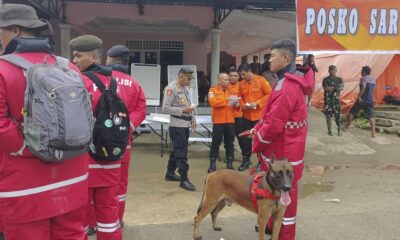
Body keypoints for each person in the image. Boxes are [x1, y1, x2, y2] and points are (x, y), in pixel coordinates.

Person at [0, 4, 88, 239]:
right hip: (73, 175)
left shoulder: (2, 69)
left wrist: (28, 147)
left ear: (15, 30)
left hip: (25, 183)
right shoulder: (68, 67)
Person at [250, 39, 314, 240]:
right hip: (290, 147)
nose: (269, 61)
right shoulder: (290, 81)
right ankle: (271, 225)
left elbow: (274, 124)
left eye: (273, 56)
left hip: (283, 150)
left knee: (286, 194)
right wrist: (258, 127)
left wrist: (257, 140)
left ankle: (284, 235)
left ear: (285, 58)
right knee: (277, 190)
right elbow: (271, 118)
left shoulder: (286, 86)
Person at [69, 35, 122, 239]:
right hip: (111, 158)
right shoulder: (114, 82)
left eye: (77, 55)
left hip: (85, 160)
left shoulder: (78, 81)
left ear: (93, 56)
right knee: (109, 213)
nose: (73, 60)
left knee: (79, 216)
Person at [106, 45, 147, 226]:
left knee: (96, 183)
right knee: (120, 183)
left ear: (110, 59)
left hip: (96, 143)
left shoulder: (98, 79)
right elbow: (141, 110)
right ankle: (117, 219)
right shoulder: (135, 84)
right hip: (123, 143)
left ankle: (93, 222)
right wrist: (126, 126)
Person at [162, 68, 197, 191]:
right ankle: (184, 179)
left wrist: (192, 118)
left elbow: (188, 105)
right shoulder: (171, 89)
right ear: (181, 76)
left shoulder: (184, 89)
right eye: (188, 79)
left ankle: (170, 173)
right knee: (181, 153)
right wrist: (182, 111)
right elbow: (165, 108)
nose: (190, 81)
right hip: (177, 126)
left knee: (177, 150)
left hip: (184, 124)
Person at [237, 63, 272, 171]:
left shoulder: (261, 80)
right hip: (247, 116)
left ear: (249, 71)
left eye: (243, 75)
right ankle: (246, 160)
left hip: (259, 117)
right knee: (246, 140)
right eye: (241, 75)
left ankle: (261, 162)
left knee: (260, 139)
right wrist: (243, 105)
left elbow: (270, 94)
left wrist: (257, 103)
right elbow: (240, 97)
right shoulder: (242, 83)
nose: (242, 77)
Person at [207, 73, 236, 172]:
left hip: (230, 120)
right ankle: (212, 163)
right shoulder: (213, 90)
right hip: (219, 121)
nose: (228, 81)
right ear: (219, 81)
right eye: (225, 79)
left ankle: (230, 163)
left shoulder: (232, 90)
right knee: (216, 143)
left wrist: (236, 104)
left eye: (228, 79)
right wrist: (226, 100)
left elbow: (237, 105)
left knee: (230, 143)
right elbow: (212, 102)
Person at [345, 66, 376, 138]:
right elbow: (373, 90)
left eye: (362, 71)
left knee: (352, 112)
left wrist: (359, 96)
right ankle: (373, 134)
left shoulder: (363, 78)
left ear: (364, 72)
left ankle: (347, 127)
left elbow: (364, 87)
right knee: (371, 116)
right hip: (370, 100)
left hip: (362, 99)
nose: (361, 72)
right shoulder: (373, 79)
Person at [228, 68, 246, 162]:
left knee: (241, 137)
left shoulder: (242, 86)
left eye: (235, 76)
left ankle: (245, 156)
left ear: (238, 77)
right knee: (229, 138)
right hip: (228, 116)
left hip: (239, 115)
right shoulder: (225, 86)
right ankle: (230, 157)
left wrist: (239, 104)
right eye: (231, 75)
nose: (233, 77)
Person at [322, 65, 344, 136]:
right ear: (328, 71)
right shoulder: (325, 79)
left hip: (336, 101)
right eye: (330, 69)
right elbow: (326, 88)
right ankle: (329, 131)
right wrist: (336, 87)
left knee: (338, 116)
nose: (332, 71)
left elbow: (342, 87)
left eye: (333, 69)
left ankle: (339, 131)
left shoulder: (339, 79)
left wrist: (331, 87)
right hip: (328, 101)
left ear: (336, 70)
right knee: (328, 116)